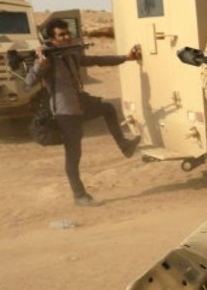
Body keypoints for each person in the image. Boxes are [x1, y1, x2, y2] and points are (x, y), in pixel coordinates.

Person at [25, 19, 141, 206]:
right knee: (74, 154)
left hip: (79, 105)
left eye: (67, 33)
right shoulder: (48, 59)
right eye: (61, 35)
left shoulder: (71, 55)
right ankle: (79, 196)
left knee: (108, 109)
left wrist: (126, 58)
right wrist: (41, 63)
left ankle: (124, 146)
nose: (66, 37)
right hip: (65, 113)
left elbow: (97, 61)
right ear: (52, 39)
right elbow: (29, 81)